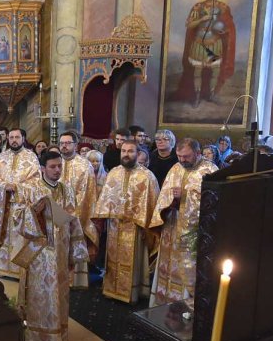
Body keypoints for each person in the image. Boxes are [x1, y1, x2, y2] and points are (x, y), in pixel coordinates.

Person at [9, 151, 88, 341]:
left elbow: (73, 219)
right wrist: (34, 210)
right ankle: (35, 338)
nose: (57, 170)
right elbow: (16, 217)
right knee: (38, 294)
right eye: (52, 167)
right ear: (42, 168)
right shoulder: (29, 188)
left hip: (60, 251)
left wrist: (75, 253)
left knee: (58, 295)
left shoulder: (67, 190)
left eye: (59, 166)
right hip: (38, 254)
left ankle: (57, 337)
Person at [92, 139, 161, 304]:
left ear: (138, 154)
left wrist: (142, 222)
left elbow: (152, 203)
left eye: (130, 151)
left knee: (133, 261)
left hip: (136, 227)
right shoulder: (114, 173)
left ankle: (133, 292)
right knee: (113, 258)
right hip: (115, 226)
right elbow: (105, 198)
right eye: (124, 151)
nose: (126, 154)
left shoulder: (147, 176)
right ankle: (111, 289)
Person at [152, 138, 217, 308]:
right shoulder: (175, 167)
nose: (182, 160)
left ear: (197, 153)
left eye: (186, 156)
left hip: (193, 232)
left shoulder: (210, 170)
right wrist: (168, 203)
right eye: (179, 156)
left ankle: (188, 305)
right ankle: (165, 302)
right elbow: (164, 194)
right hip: (172, 226)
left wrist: (186, 196)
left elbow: (214, 203)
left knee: (189, 267)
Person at [171, 0, 236, 105]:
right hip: (199, 43)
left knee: (215, 71)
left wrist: (224, 31)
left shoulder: (223, 7)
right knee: (197, 71)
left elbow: (228, 26)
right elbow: (189, 25)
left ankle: (211, 94)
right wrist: (202, 19)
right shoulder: (198, 7)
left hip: (215, 43)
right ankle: (196, 96)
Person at [0, 128, 40, 280]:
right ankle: (4, 268)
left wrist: (17, 187)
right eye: (11, 137)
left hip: (22, 206)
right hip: (3, 206)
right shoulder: (2, 157)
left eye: (17, 137)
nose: (14, 140)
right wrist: (4, 186)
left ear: (23, 138)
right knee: (5, 238)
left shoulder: (31, 157)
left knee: (20, 238)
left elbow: (36, 181)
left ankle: (20, 270)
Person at [55, 132, 99, 288]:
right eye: (61, 143)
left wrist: (70, 214)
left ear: (75, 145)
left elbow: (86, 193)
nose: (64, 145)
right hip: (55, 215)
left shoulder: (84, 164)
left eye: (68, 142)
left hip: (77, 214)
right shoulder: (54, 161)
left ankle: (75, 280)